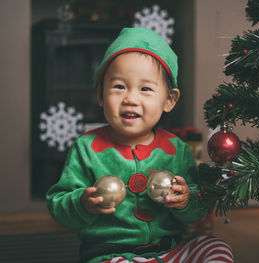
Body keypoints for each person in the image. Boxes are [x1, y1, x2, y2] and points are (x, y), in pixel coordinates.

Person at [46, 27, 234, 263]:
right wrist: (82, 203)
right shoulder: (87, 148)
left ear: (169, 100)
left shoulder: (176, 148)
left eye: (145, 89)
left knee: (215, 247)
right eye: (119, 87)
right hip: (110, 254)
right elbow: (58, 204)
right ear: (101, 96)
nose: (131, 99)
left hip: (169, 250)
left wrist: (186, 200)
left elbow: (197, 209)